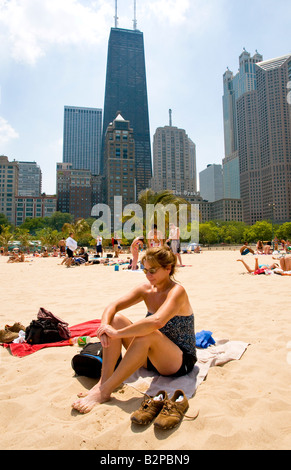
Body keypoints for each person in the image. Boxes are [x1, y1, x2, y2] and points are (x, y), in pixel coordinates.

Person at [72, 245, 197, 414]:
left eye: (152, 270)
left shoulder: (177, 291)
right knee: (115, 320)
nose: (148, 275)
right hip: (151, 357)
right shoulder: (146, 289)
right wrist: (104, 327)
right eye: (145, 270)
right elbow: (113, 306)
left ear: (168, 268)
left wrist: (118, 334)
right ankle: (103, 382)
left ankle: (104, 391)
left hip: (178, 361)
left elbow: (157, 321)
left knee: (147, 332)